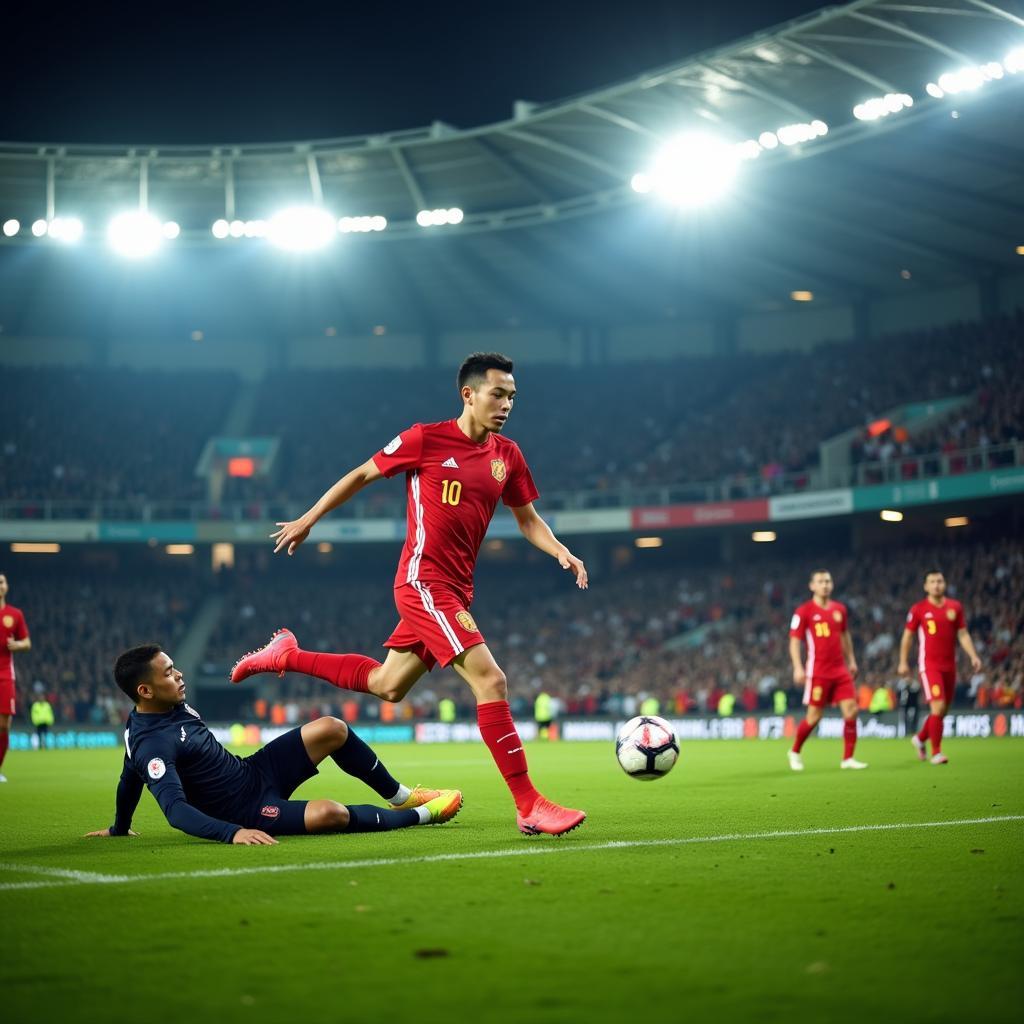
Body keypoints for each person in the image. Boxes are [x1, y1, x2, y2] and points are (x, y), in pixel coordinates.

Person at [232, 352, 589, 837]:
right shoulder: (425, 438)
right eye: (497, 394)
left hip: (458, 590)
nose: (506, 404)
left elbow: (527, 520)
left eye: (511, 397)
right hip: (423, 582)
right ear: (469, 394)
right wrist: (308, 518)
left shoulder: (508, 456)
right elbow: (360, 474)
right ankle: (529, 805)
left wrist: (561, 551)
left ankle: (286, 656)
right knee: (491, 681)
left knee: (387, 685)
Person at [86, 644, 461, 845]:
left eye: (174, 666)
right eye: (168, 672)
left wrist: (120, 827)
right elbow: (176, 812)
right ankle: (424, 816)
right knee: (331, 814)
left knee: (332, 728)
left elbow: (127, 776)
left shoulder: (168, 709)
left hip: (253, 770)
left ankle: (403, 797)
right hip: (247, 810)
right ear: (145, 690)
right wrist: (232, 832)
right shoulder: (152, 744)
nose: (179, 674)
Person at [898, 569, 982, 766]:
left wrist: (973, 656)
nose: (936, 585)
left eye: (940, 581)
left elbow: (963, 634)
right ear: (926, 586)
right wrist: (902, 661)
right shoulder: (918, 609)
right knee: (937, 706)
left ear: (944, 584)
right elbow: (908, 637)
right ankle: (936, 752)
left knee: (942, 711)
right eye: (932, 582)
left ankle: (919, 739)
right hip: (929, 666)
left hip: (949, 666)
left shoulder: (955, 607)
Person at [787, 569, 867, 771]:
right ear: (812, 586)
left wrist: (852, 660)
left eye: (828, 581)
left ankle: (848, 758)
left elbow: (845, 635)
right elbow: (794, 641)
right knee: (814, 717)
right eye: (821, 581)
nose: (825, 585)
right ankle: (795, 751)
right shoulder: (804, 611)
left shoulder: (839, 609)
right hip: (818, 671)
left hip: (840, 670)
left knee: (852, 710)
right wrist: (797, 667)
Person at [0, 573, 31, 782]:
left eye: (1, 581)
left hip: (4, 675)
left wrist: (17, 645)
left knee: (4, 725)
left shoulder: (14, 614)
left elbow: (26, 642)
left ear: (7, 586)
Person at [30, 682, 54, 747]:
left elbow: (50, 714)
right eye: (40, 697)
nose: (41, 698)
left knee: (45, 734)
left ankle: (45, 744)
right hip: (38, 722)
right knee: (39, 734)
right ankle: (40, 744)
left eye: (42, 697)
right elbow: (33, 714)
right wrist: (35, 721)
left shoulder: (47, 705)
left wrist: (50, 721)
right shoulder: (35, 705)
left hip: (45, 722)